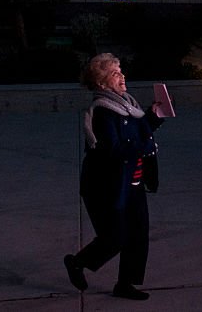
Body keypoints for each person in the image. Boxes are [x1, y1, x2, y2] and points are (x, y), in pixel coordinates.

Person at [64, 53, 165, 300]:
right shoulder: (103, 112)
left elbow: (137, 130)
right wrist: (146, 147)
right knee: (116, 236)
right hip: (106, 186)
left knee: (139, 234)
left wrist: (153, 117)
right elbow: (116, 150)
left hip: (132, 182)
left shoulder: (127, 103)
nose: (122, 76)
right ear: (101, 84)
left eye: (121, 71)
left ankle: (125, 284)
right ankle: (77, 262)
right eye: (115, 73)